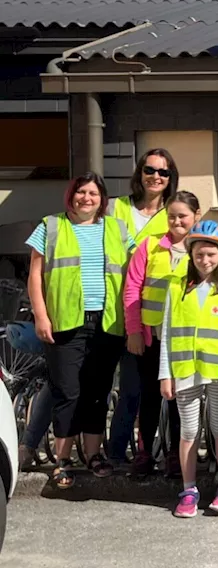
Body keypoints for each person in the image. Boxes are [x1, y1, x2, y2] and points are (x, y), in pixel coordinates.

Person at [26, 172, 131, 487]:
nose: (87, 198)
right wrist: (41, 316)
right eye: (81, 192)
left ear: (103, 199)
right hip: (65, 321)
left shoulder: (116, 228)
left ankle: (93, 454)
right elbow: (35, 275)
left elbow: (139, 266)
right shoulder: (51, 225)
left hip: (107, 320)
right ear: (70, 195)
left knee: (98, 392)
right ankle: (62, 460)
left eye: (94, 193)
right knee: (68, 392)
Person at [158, 221, 218, 518]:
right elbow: (167, 332)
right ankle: (189, 489)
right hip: (184, 371)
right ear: (190, 255)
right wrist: (164, 373)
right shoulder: (176, 286)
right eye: (199, 255)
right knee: (189, 430)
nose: (205, 261)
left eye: (211, 255)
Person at [106, 148, 179, 466]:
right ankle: (112, 454)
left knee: (140, 389)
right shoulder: (115, 207)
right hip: (110, 307)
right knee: (106, 387)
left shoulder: (173, 216)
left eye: (163, 173)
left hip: (149, 322)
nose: (156, 177)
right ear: (139, 172)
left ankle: (134, 452)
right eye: (150, 170)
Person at [123, 190, 202, 478]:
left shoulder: (201, 249)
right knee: (150, 397)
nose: (177, 221)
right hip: (150, 336)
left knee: (181, 398)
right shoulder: (150, 245)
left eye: (183, 216)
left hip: (184, 340)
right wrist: (133, 331)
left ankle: (174, 454)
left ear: (196, 216)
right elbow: (132, 289)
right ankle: (145, 453)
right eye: (172, 216)